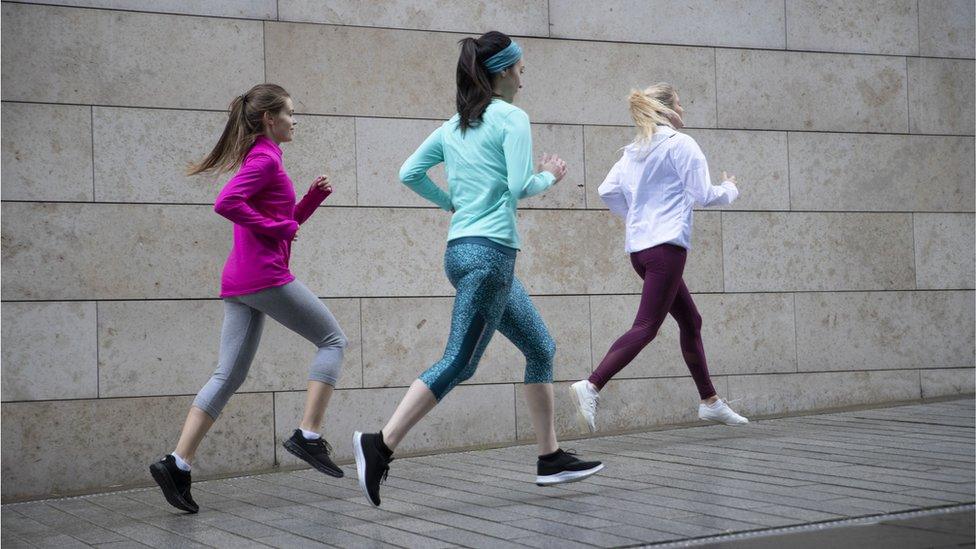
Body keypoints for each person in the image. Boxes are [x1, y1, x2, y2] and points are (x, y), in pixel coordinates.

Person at [352, 31, 604, 508]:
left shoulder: (454, 126)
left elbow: (409, 172)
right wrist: (551, 174)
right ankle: (378, 445)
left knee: (540, 347)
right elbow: (517, 185)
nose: (523, 82)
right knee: (459, 361)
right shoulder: (512, 118)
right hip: (490, 258)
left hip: (466, 253)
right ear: (504, 71)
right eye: (521, 72)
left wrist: (453, 203)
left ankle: (550, 459)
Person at [149, 84, 347, 514]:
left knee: (228, 375)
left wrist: (310, 200)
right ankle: (308, 435)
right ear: (268, 120)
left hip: (241, 281)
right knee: (333, 342)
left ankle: (177, 464)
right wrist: (278, 230)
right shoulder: (263, 158)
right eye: (291, 113)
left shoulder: (266, 159)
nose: (296, 121)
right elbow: (227, 203)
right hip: (264, 278)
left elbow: (283, 222)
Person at [569, 83, 749, 434]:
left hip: (640, 250)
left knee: (691, 321)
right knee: (646, 327)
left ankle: (710, 401)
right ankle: (591, 385)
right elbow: (705, 196)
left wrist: (637, 216)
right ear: (667, 110)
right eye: (680, 104)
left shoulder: (634, 150)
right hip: (666, 249)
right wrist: (731, 188)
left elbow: (608, 190)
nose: (683, 110)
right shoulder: (681, 145)